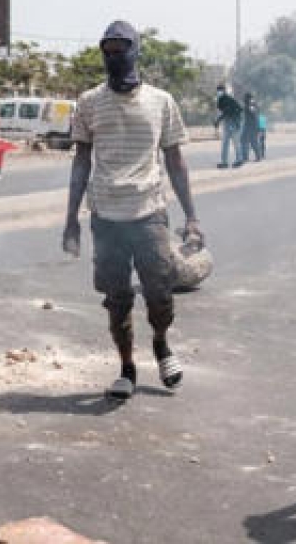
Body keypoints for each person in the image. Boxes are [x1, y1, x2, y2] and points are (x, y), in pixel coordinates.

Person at [62, 20, 202, 400]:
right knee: (116, 296)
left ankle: (160, 343)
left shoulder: (161, 101)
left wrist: (191, 216)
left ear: (136, 50)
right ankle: (126, 366)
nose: (113, 56)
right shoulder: (89, 103)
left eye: (120, 48)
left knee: (159, 292)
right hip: (106, 216)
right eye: (106, 50)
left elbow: (175, 161)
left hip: (149, 212)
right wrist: (71, 219)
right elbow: (81, 162)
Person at [214, 84, 243, 168]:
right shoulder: (220, 99)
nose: (219, 92)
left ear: (224, 90)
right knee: (225, 143)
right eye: (218, 90)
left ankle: (239, 160)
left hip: (234, 122)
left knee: (236, 142)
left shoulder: (228, 99)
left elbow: (228, 111)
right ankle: (224, 162)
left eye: (220, 90)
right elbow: (223, 112)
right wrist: (218, 120)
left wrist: (218, 120)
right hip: (227, 122)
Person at [240, 91, 262, 162]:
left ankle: (256, 157)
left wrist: (257, 127)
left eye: (245, 98)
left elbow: (254, 114)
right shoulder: (250, 104)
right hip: (249, 126)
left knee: (252, 142)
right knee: (246, 141)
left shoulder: (251, 105)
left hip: (251, 126)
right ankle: (246, 157)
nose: (244, 99)